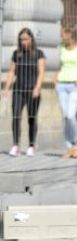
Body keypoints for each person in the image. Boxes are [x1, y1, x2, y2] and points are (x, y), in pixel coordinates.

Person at [3, 28, 45, 156]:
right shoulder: (16, 54)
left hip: (33, 91)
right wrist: (5, 89)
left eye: (26, 39)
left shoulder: (39, 54)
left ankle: (31, 145)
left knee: (31, 118)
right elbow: (11, 72)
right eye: (21, 40)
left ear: (31, 39)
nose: (23, 42)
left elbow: (41, 72)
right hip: (18, 90)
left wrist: (37, 87)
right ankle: (16, 145)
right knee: (16, 116)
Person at [56, 25, 77, 158]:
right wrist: (56, 79)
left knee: (71, 115)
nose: (61, 36)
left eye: (63, 34)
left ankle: (76, 143)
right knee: (65, 117)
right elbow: (60, 66)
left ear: (70, 34)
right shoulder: (61, 48)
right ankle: (69, 148)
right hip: (61, 86)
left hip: (75, 86)